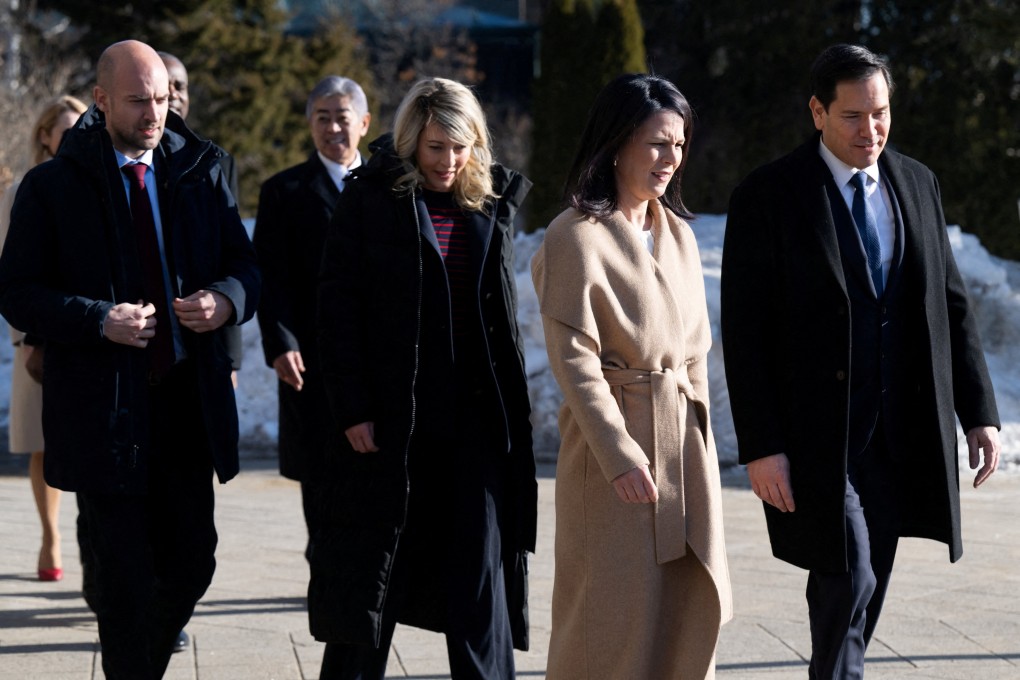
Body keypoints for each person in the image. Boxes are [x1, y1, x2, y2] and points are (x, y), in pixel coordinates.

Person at [720, 43, 1001, 679]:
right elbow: (746, 331)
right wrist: (761, 445)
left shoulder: (917, 183)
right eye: (852, 116)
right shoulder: (768, 194)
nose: (869, 130)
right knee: (850, 571)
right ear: (817, 112)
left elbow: (949, 303)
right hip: (816, 434)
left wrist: (978, 412)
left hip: (897, 432)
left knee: (862, 588)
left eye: (880, 113)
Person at [0, 40, 259, 679]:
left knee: (194, 561)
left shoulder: (204, 168)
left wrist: (224, 301)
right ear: (102, 99)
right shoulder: (53, 185)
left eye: (164, 99)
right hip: (102, 410)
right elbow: (17, 291)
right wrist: (97, 319)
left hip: (183, 405)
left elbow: (247, 267)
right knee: (120, 584)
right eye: (139, 100)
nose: (155, 113)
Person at [311, 77, 537, 679]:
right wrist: (352, 407)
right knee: (375, 584)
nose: (448, 161)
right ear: (412, 141)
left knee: (480, 584)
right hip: (394, 427)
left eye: (460, 147)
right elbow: (338, 311)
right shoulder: (372, 200)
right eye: (436, 147)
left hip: (478, 429)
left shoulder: (490, 203)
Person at [531, 73, 732, 679]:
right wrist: (619, 454)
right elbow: (574, 359)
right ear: (617, 143)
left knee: (684, 603)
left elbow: (696, 350)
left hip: (683, 450)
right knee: (608, 614)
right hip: (610, 458)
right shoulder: (576, 237)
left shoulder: (680, 237)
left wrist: (699, 443)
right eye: (655, 143)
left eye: (679, 144)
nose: (671, 158)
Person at [253, 75, 370, 558]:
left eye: (342, 118)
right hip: (313, 361)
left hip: (377, 359)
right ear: (309, 125)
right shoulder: (285, 192)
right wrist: (279, 343)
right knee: (322, 479)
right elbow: (269, 278)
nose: (333, 129)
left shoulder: (391, 186)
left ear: (363, 123)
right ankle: (324, 566)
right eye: (322, 118)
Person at [0, 94, 88, 583]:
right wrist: (26, 339)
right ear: (45, 136)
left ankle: (87, 540)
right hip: (37, 341)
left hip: (87, 333)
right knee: (41, 445)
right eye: (65, 130)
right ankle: (50, 535)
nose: (74, 137)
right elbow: (12, 272)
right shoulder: (22, 192)